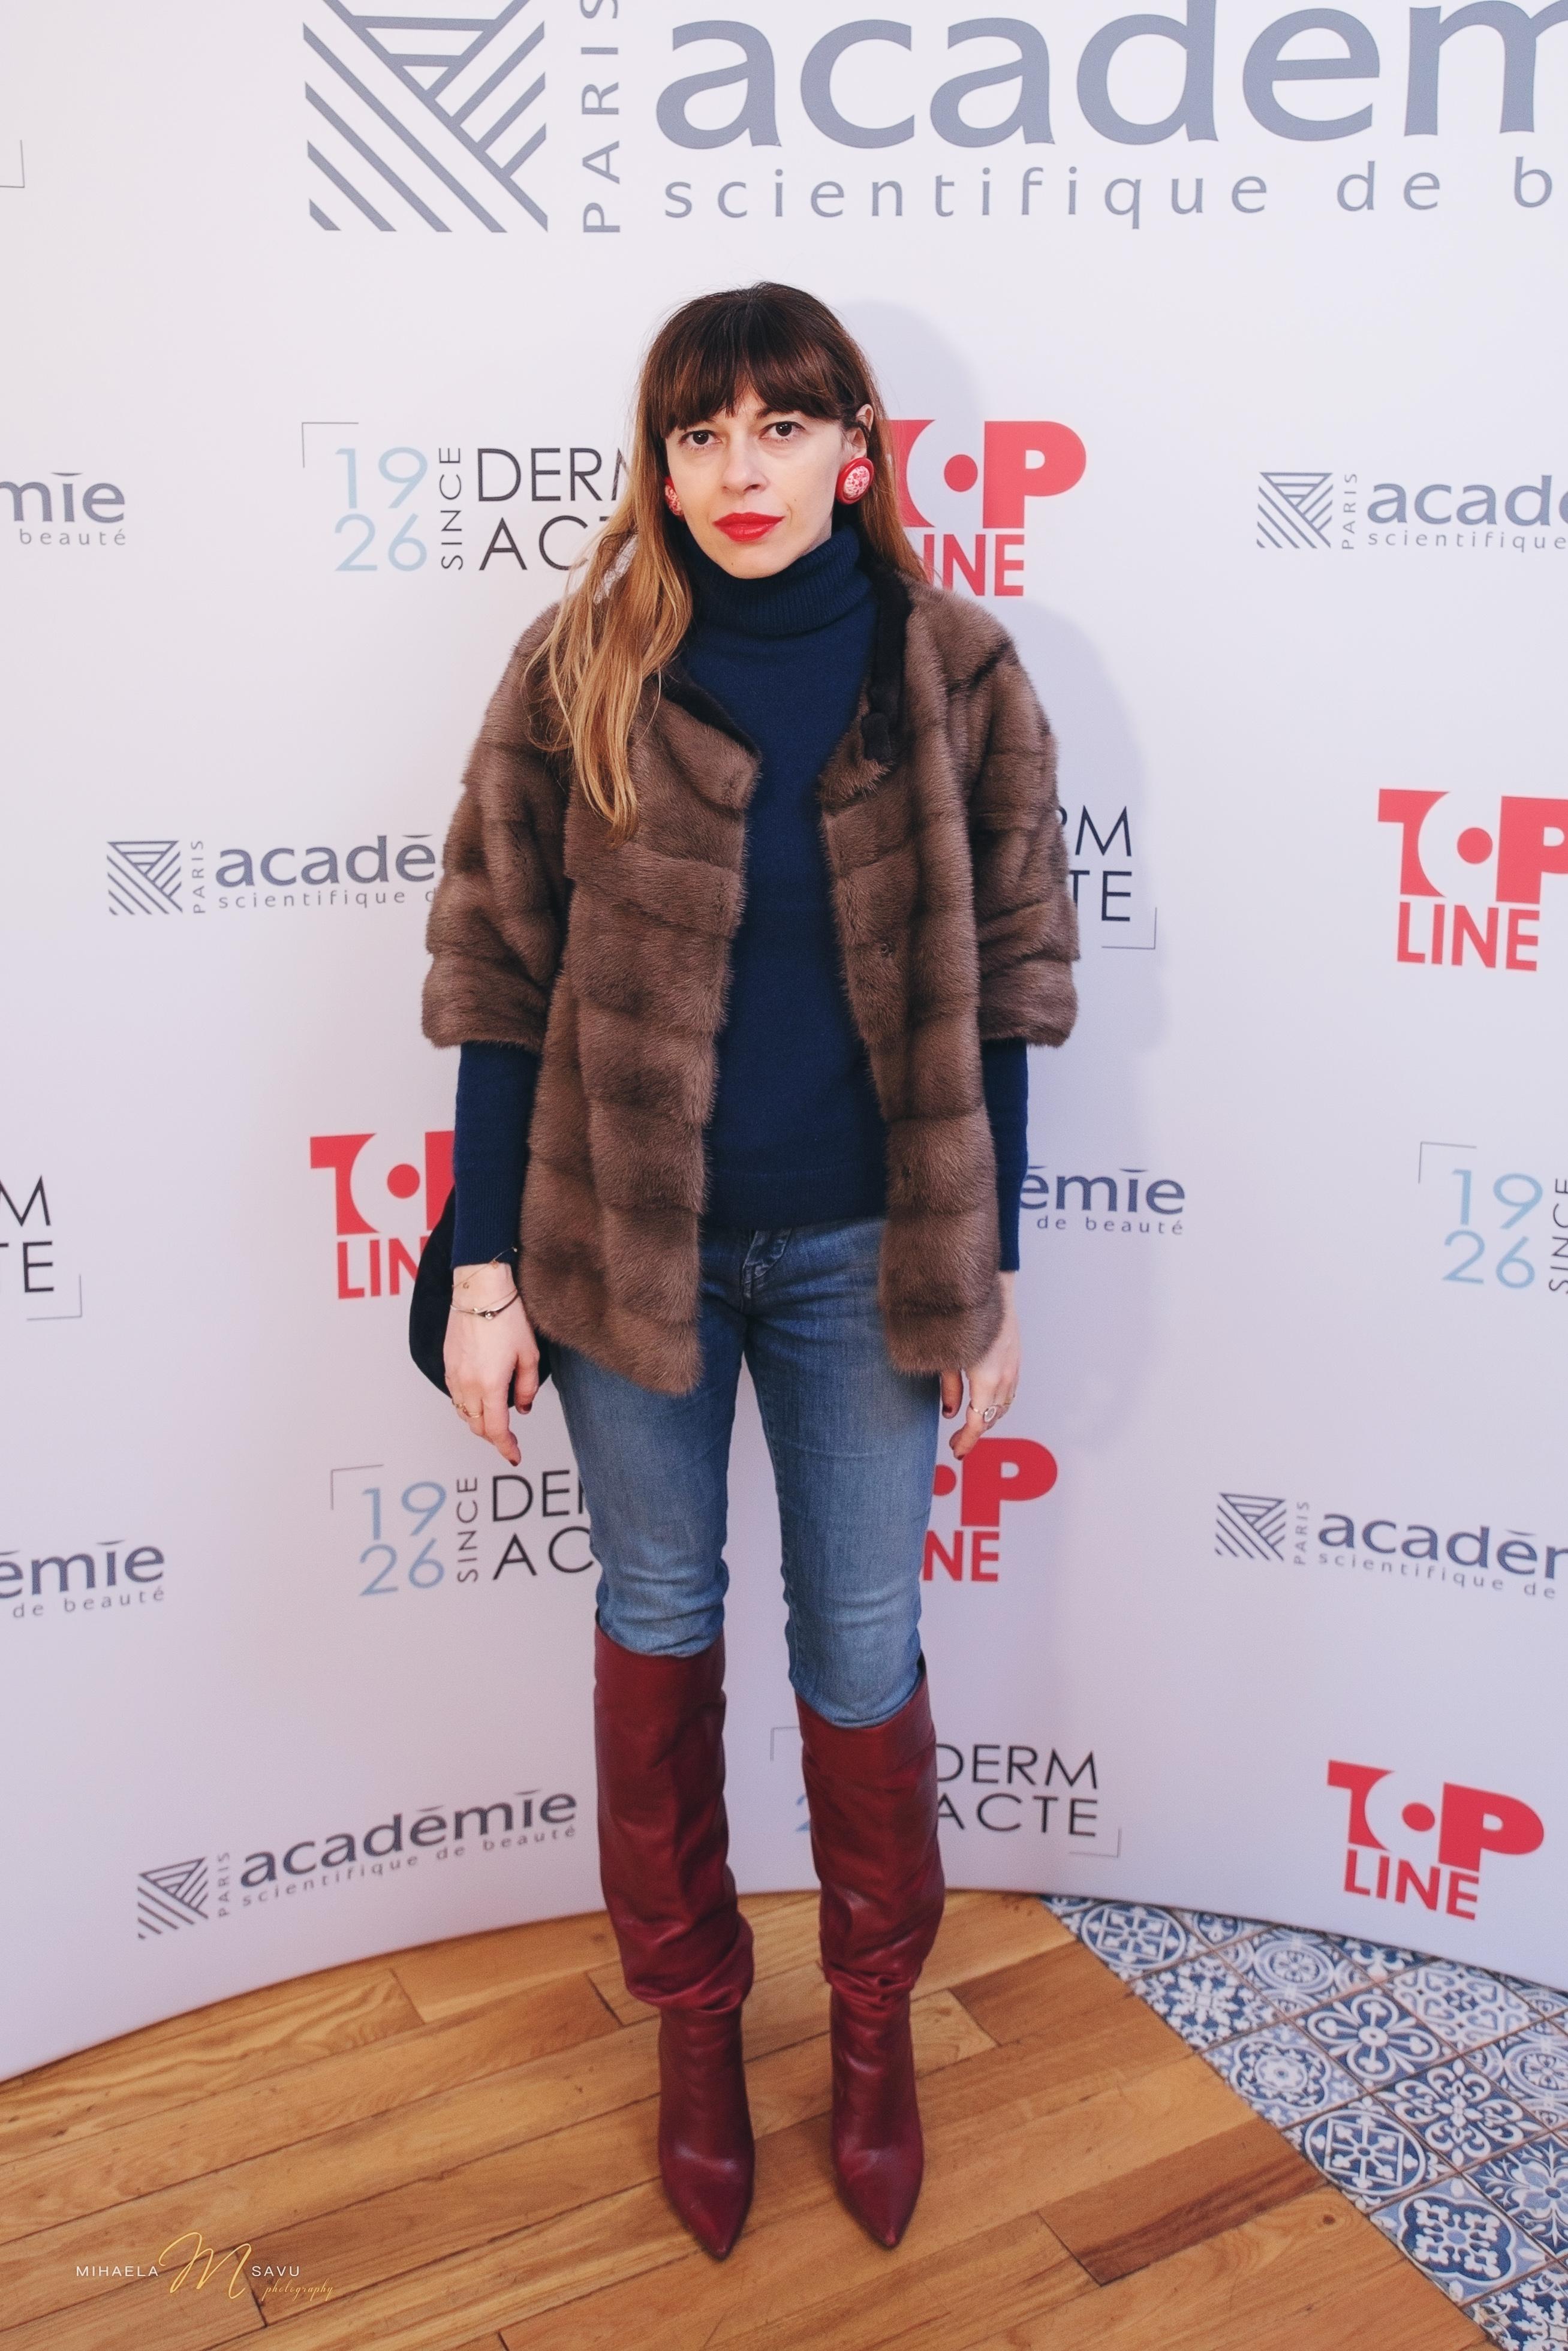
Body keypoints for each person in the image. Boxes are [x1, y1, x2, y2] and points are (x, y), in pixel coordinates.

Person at [421, 282, 1079, 2260]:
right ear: (662, 460)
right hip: (628, 1250)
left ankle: (872, 2036)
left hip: (869, 1256)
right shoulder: (580, 666)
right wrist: (479, 1265)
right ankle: (696, 2031)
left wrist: (988, 1261)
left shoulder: (956, 672)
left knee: (863, 1646)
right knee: (657, 1617)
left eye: (781, 427)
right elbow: (497, 982)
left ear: (853, 453)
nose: (739, 469)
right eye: (700, 432)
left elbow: (1008, 997)